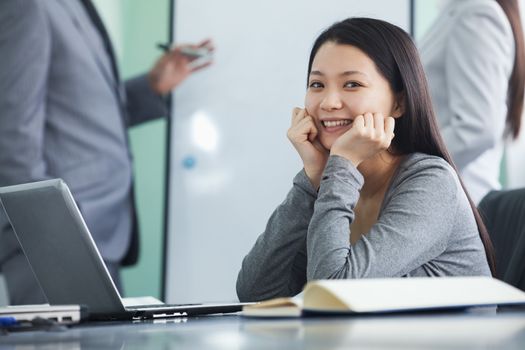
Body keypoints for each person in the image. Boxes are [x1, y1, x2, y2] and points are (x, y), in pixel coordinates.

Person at [236, 17, 494, 302]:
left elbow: (332, 295)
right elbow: (256, 292)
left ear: (399, 102)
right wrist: (311, 180)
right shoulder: (338, 182)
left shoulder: (431, 181)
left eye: (352, 84)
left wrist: (342, 165)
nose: (329, 102)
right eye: (317, 84)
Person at [0, 0, 213, 304]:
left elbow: (80, 112)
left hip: (95, 234)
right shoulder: (27, 5)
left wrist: (153, 86)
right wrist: (48, 233)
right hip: (56, 242)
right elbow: (11, 134)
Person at [419, 0, 525, 205]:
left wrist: (406, 165)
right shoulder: (457, 11)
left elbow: (478, 128)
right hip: (444, 191)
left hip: (455, 196)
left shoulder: (476, 13)